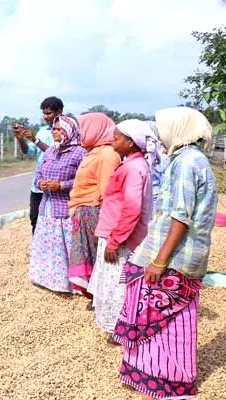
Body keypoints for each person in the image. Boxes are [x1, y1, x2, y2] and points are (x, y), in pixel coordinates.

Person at [113, 107, 216, 400]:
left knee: (166, 319)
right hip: (172, 253)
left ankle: (167, 382)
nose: (158, 134)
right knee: (155, 315)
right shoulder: (186, 159)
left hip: (174, 257)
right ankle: (148, 373)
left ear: (178, 128)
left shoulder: (187, 162)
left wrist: (159, 260)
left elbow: (180, 217)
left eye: (162, 127)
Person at [88, 120, 153, 340]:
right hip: (115, 233)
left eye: (117, 138)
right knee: (112, 282)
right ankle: (117, 326)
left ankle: (120, 329)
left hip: (121, 238)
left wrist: (115, 240)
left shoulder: (134, 168)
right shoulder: (132, 164)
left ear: (131, 142)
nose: (113, 141)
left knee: (118, 285)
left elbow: (132, 209)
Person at [28, 116, 86, 293]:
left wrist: (61, 185)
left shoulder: (80, 153)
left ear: (69, 131)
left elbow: (83, 180)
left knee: (66, 248)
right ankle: (47, 279)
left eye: (59, 129)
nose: (54, 132)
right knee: (49, 248)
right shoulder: (50, 151)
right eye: (54, 129)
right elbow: (38, 174)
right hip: (47, 207)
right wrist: (41, 184)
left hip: (66, 209)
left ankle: (71, 284)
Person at [67, 113, 121, 298]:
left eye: (83, 129)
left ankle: (103, 298)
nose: (80, 134)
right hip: (84, 214)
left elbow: (108, 193)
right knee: (90, 258)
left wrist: (106, 228)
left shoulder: (107, 155)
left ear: (95, 129)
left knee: (98, 258)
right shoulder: (93, 151)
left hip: (94, 214)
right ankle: (96, 296)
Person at [14, 96, 63, 233]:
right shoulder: (42, 131)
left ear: (59, 112)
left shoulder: (66, 131)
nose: (46, 117)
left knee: (55, 221)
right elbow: (28, 151)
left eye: (49, 113)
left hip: (56, 185)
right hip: (38, 186)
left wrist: (35, 140)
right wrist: (21, 140)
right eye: (44, 113)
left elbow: (56, 153)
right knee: (35, 218)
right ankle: (38, 250)